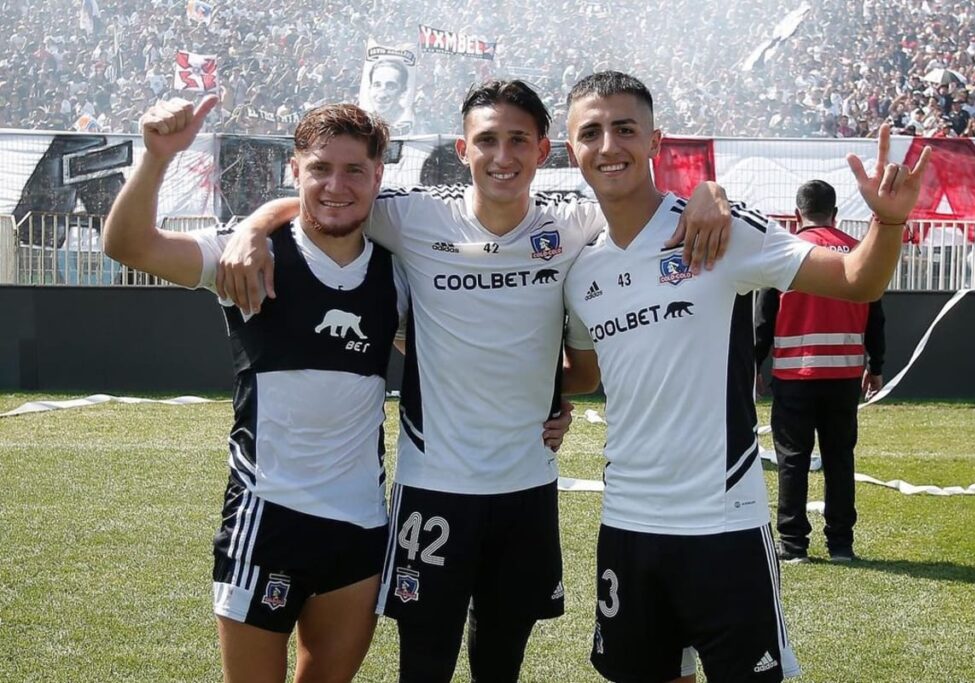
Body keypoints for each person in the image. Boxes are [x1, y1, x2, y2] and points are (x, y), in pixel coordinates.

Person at [216, 79, 732, 682]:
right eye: (487, 140)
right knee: (426, 663)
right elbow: (330, 196)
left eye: (518, 140)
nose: (503, 156)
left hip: (527, 485)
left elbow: (639, 203)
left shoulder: (573, 224)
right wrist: (255, 224)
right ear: (463, 150)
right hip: (434, 486)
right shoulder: (412, 215)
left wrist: (707, 192)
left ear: (544, 151)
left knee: (500, 662)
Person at [559, 71, 929, 683]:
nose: (608, 146)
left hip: (723, 523)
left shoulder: (716, 231)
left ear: (656, 142)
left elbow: (858, 282)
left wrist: (887, 224)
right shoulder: (580, 267)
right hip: (626, 522)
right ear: (570, 149)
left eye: (625, 129)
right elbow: (583, 374)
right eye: (590, 133)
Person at [103, 96, 408, 683]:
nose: (335, 185)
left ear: (378, 176)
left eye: (354, 171)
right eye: (320, 168)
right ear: (295, 170)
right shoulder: (245, 258)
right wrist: (157, 158)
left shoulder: (397, 275)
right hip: (267, 517)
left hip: (363, 524)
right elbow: (128, 245)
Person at [754, 180, 886, 564]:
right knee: (840, 459)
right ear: (835, 214)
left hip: (795, 375)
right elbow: (876, 315)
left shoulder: (783, 251)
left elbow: (764, 319)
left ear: (798, 215)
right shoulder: (857, 251)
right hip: (844, 374)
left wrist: (754, 366)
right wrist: (875, 366)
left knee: (792, 460)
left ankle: (794, 546)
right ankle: (841, 545)